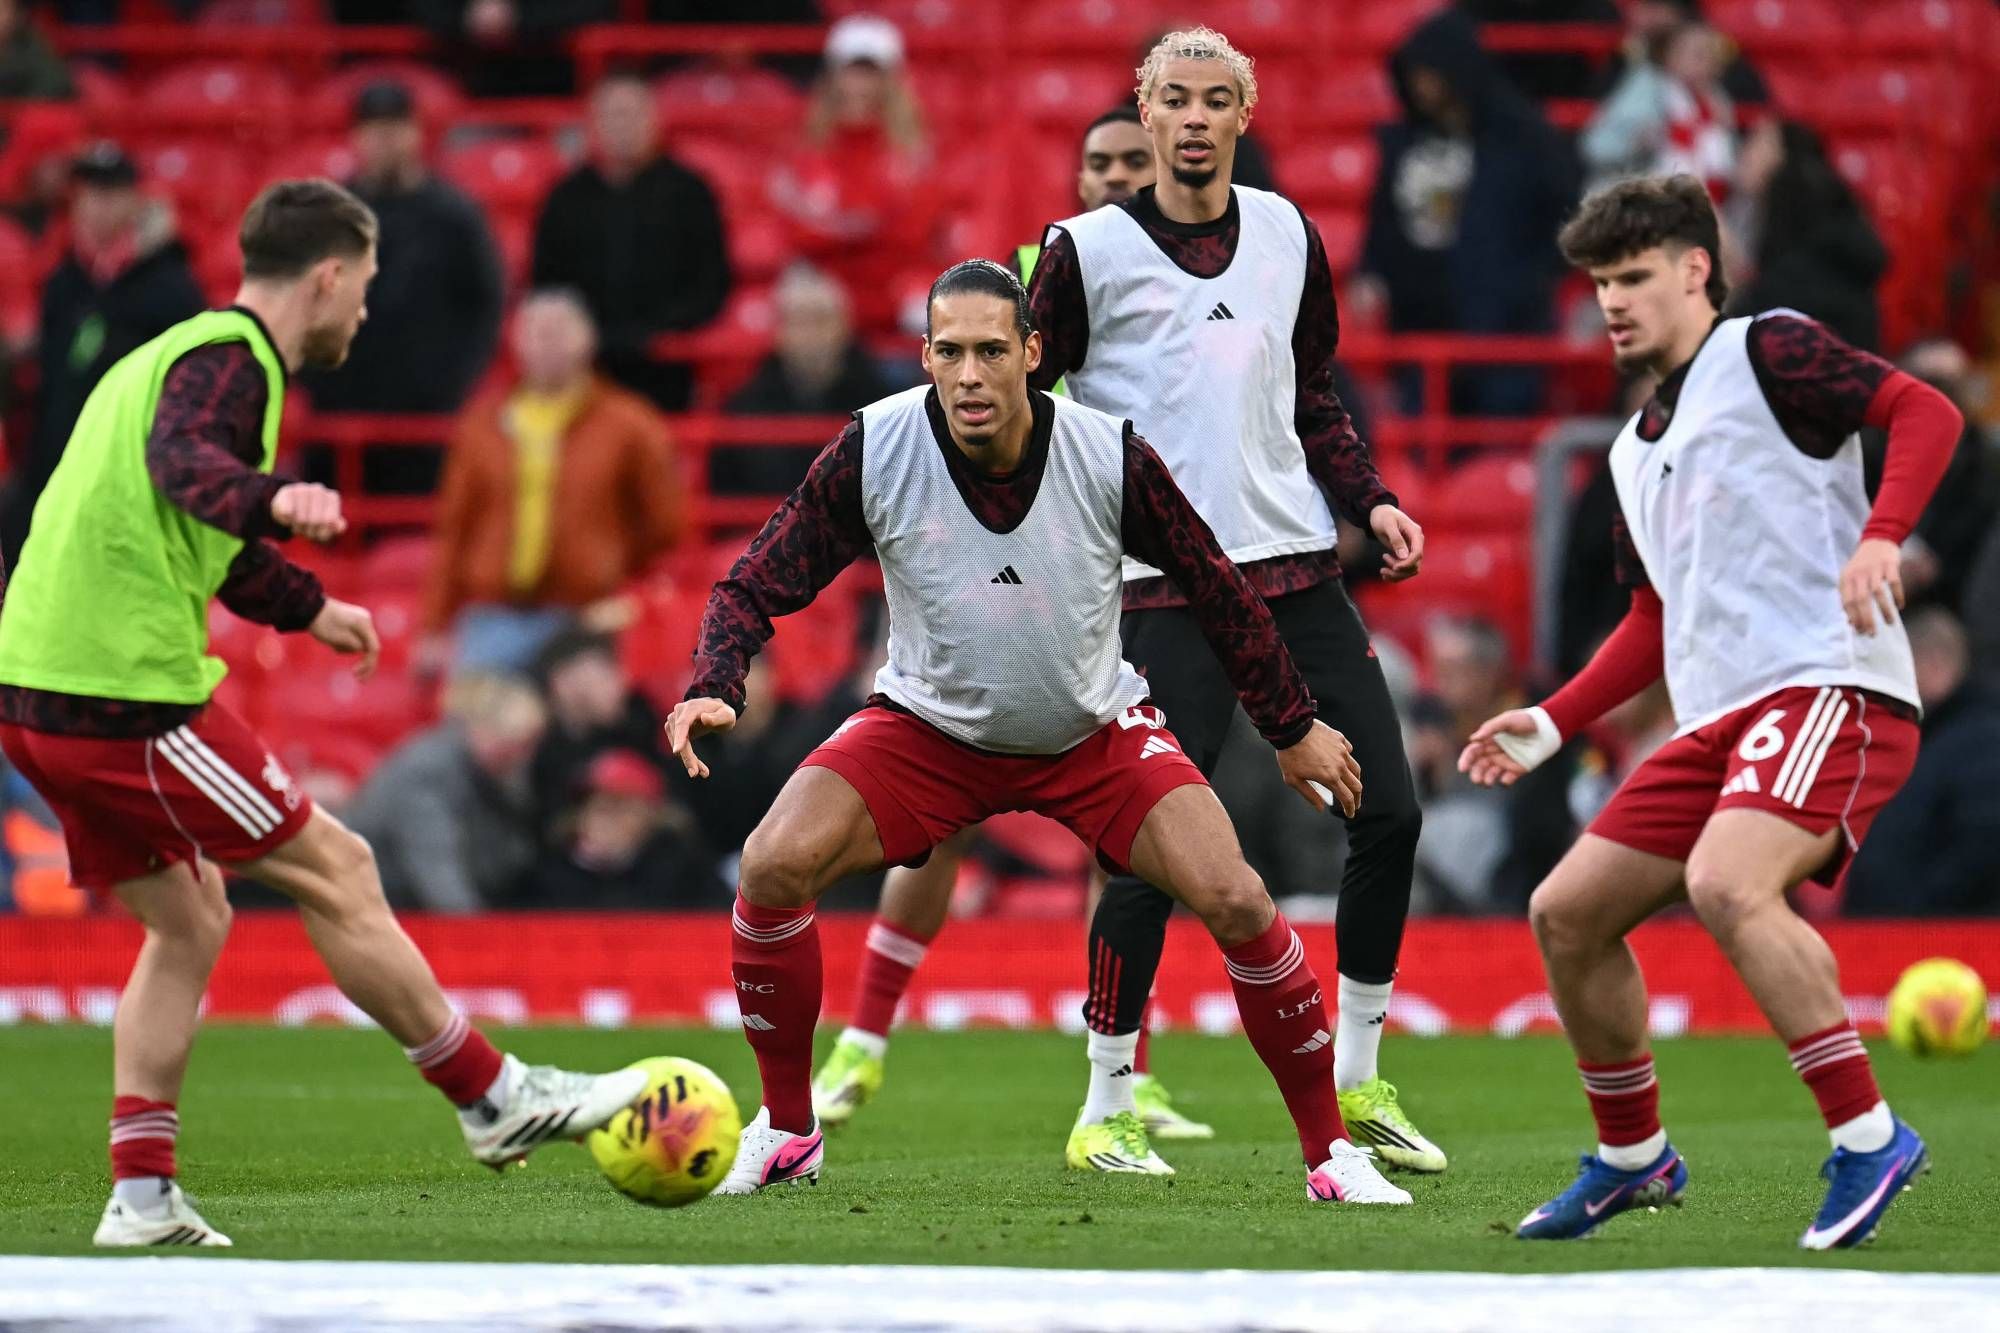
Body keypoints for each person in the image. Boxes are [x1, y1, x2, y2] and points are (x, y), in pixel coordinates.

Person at [668, 259, 1408, 1205]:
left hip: (1092, 731)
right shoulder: (876, 445)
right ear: (925, 357)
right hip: (927, 730)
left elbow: (1218, 588)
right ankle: (787, 1130)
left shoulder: (1107, 451)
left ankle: (1329, 1154)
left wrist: (1292, 724)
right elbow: (756, 578)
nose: (969, 375)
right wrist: (714, 681)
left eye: (990, 351)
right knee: (771, 863)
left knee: (1236, 896)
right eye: (949, 353)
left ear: (1031, 352)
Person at [0, 180, 646, 1248]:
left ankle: (142, 1196)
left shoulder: (166, 357)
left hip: (34, 690)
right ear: (330, 276)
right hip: (118, 691)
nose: (365, 310)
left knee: (190, 917)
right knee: (337, 865)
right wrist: (276, 497)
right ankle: (492, 1095)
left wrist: (312, 607)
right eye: (366, 286)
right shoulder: (236, 360)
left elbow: (194, 523)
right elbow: (187, 469)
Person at [1457, 175, 1962, 1248]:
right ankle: (1632, 1156)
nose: (1612, 301)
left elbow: (1925, 409)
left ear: (1696, 270)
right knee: (1565, 911)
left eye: (1633, 276)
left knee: (1727, 882)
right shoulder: (1630, 449)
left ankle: (1868, 1136)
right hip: (1716, 718)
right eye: (1601, 282)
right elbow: (1654, 613)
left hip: (1828, 682)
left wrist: (1881, 534)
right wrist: (1554, 717)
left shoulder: (1766, 349)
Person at [1026, 27, 1439, 1176]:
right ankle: (1107, 1099)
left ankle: (1358, 1077)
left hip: (1295, 568)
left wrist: (1371, 499)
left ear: (1243, 115)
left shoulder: (1287, 233)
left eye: (1216, 99)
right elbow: (1026, 405)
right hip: (1161, 592)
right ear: (1145, 113)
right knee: (1146, 848)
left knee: (1390, 812)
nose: (1195, 117)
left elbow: (1314, 397)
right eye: (1174, 98)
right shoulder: (1084, 250)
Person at [807, 101, 1182, 1140]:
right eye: (1100, 163)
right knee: (935, 828)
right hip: (1012, 567)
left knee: (1132, 833)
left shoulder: (1193, 288)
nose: (1117, 179)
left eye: (1134, 162)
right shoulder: (1029, 284)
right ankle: (863, 1038)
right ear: (1078, 181)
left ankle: (1128, 1073)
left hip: (1138, 574)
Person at [418, 289, 688, 675]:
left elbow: (664, 523)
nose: (547, 343)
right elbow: (455, 530)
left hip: (587, 615)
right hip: (495, 615)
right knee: (476, 710)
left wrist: (609, 565)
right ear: (516, 341)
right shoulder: (480, 426)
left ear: (588, 339)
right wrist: (434, 626)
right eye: (536, 332)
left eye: (559, 330)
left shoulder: (630, 425)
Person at [1353, 8, 1578, 417]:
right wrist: (1370, 270)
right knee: (1422, 431)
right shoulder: (1401, 141)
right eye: (1415, 75)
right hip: (1420, 322)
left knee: (1499, 433)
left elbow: (1562, 216)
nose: (1421, 86)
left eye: (1430, 74)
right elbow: (1383, 218)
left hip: (1503, 329)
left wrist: (1529, 282)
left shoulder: (1521, 138)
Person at [3, 142, 204, 561]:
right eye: (88, 193)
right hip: (58, 472)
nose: (96, 206)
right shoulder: (64, 282)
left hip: (133, 479)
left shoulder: (171, 287)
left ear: (135, 200)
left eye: (109, 193)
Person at [302, 81, 504, 429]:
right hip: (341, 411)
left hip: (428, 412)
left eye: (395, 128)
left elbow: (485, 302)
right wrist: (318, 382)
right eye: (374, 129)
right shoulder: (329, 217)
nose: (385, 140)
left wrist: (454, 382)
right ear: (356, 138)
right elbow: (296, 298)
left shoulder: (454, 215)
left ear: (417, 134)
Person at [531, 69, 731, 410]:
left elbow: (712, 279)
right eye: (612, 114)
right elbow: (548, 281)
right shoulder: (565, 197)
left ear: (655, 119)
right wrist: (585, 334)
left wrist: (659, 333)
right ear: (593, 122)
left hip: (668, 364)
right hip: (585, 365)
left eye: (633, 113)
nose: (623, 125)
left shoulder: (690, 192)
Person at [769, 15, 938, 337]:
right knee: (805, 298)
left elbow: (914, 232)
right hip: (826, 281)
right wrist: (861, 225)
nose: (860, 85)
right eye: (852, 71)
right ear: (832, 77)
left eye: (870, 73)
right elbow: (796, 231)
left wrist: (842, 227)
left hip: (893, 281)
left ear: (891, 80)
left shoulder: (914, 150)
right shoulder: (804, 144)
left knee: (928, 308)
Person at [343, 672, 546, 913]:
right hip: (370, 906)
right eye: (512, 746)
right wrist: (486, 935)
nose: (522, 758)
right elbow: (442, 887)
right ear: (480, 729)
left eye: (528, 746)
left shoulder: (494, 773)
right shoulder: (426, 775)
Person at [1843, 608, 2000, 917]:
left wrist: (1918, 908)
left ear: (1933, 664)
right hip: (1901, 930)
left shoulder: (1979, 742)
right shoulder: (1932, 738)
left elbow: (1983, 844)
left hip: (1946, 934)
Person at [719, 263, 896, 497]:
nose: (810, 334)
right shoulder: (743, 409)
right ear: (779, 331)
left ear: (845, 326)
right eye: (798, 321)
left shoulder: (885, 404)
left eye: (820, 319)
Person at [1724, 119, 1885, 351]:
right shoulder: (1836, 245)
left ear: (1782, 160)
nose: (1744, 154)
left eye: (1756, 145)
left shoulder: (1796, 279)